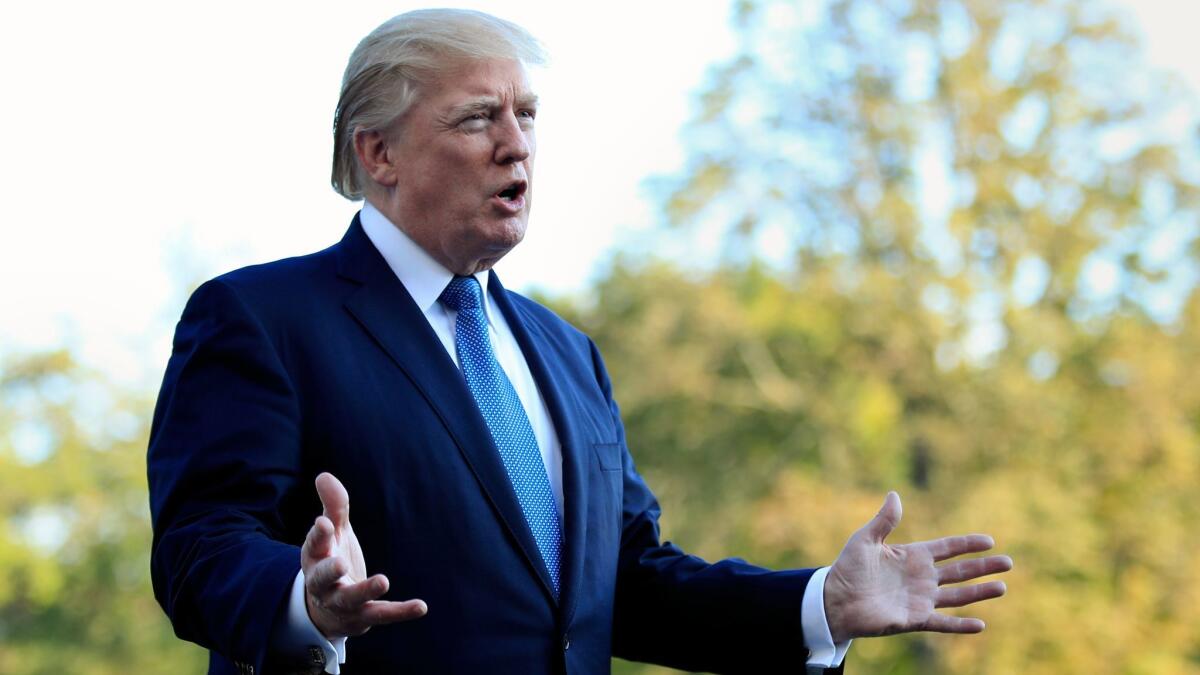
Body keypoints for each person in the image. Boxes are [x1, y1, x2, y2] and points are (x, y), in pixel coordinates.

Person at [147, 9, 1011, 675]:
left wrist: (821, 602)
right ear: (379, 152)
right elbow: (199, 548)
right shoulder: (259, 318)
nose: (516, 143)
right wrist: (305, 602)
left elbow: (628, 582)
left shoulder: (566, 352)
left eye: (527, 114)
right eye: (477, 117)